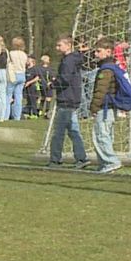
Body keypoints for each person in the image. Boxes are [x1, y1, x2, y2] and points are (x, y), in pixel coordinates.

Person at [46, 37, 90, 169]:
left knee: (59, 132)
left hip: (67, 99)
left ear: (68, 45)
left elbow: (65, 79)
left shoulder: (69, 61)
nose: (57, 48)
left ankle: (55, 159)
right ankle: (81, 158)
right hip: (71, 98)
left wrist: (53, 83)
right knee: (73, 130)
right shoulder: (73, 59)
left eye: (59, 45)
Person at [89, 38, 123, 174]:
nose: (96, 54)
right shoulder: (112, 67)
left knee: (100, 135)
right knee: (106, 135)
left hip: (105, 108)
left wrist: (94, 107)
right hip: (110, 108)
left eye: (98, 51)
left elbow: (101, 91)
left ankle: (111, 161)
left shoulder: (106, 70)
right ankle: (104, 164)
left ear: (108, 52)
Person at [7, 37, 29, 120]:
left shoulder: (11, 53)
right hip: (22, 74)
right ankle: (17, 116)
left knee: (8, 96)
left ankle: (5, 115)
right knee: (19, 97)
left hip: (13, 74)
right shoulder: (24, 54)